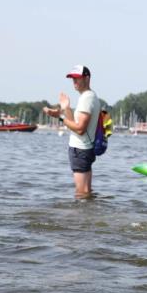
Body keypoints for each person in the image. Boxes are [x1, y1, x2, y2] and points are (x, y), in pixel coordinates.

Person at [43, 64, 100, 198]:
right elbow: (75, 125)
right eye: (72, 78)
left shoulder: (87, 98)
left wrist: (60, 118)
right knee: (86, 192)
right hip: (83, 150)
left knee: (82, 193)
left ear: (87, 78)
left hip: (81, 150)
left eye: (77, 78)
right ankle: (86, 217)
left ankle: (82, 218)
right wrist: (66, 108)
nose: (74, 81)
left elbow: (80, 129)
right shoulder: (88, 97)